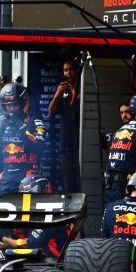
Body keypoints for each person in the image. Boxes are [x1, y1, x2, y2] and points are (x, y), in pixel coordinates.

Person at [0, 82, 47, 195]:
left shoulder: (35, 121)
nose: (11, 109)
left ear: (22, 103)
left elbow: (39, 148)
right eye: (8, 105)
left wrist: (22, 127)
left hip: (29, 175)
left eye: (15, 105)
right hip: (7, 176)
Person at [48, 59, 80, 191]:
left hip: (80, 138)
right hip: (66, 141)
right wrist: (57, 95)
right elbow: (50, 113)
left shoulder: (82, 88)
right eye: (66, 70)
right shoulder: (62, 90)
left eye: (71, 69)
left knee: (80, 175)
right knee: (67, 177)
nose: (68, 73)